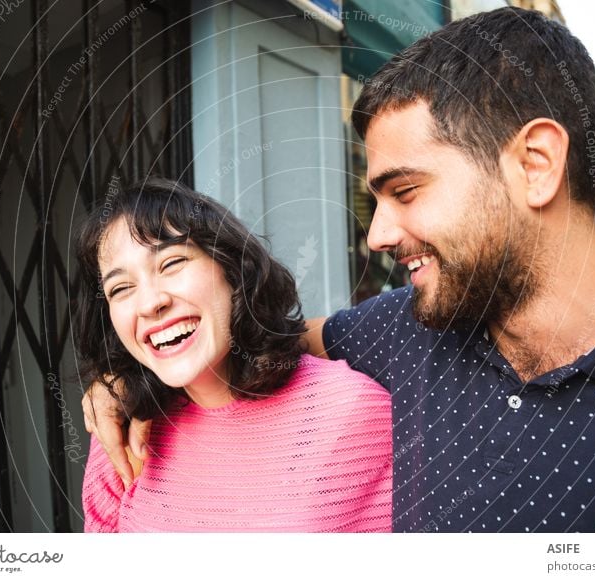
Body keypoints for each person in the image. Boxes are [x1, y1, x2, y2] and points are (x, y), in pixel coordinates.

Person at [83, 7, 595, 531]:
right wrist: (124, 380)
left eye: (405, 191)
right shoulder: (403, 332)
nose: (377, 233)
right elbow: (258, 333)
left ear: (536, 165)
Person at [75, 177, 392, 532]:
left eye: (172, 263)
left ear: (232, 269)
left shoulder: (352, 414)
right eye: (121, 288)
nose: (150, 303)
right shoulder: (123, 427)